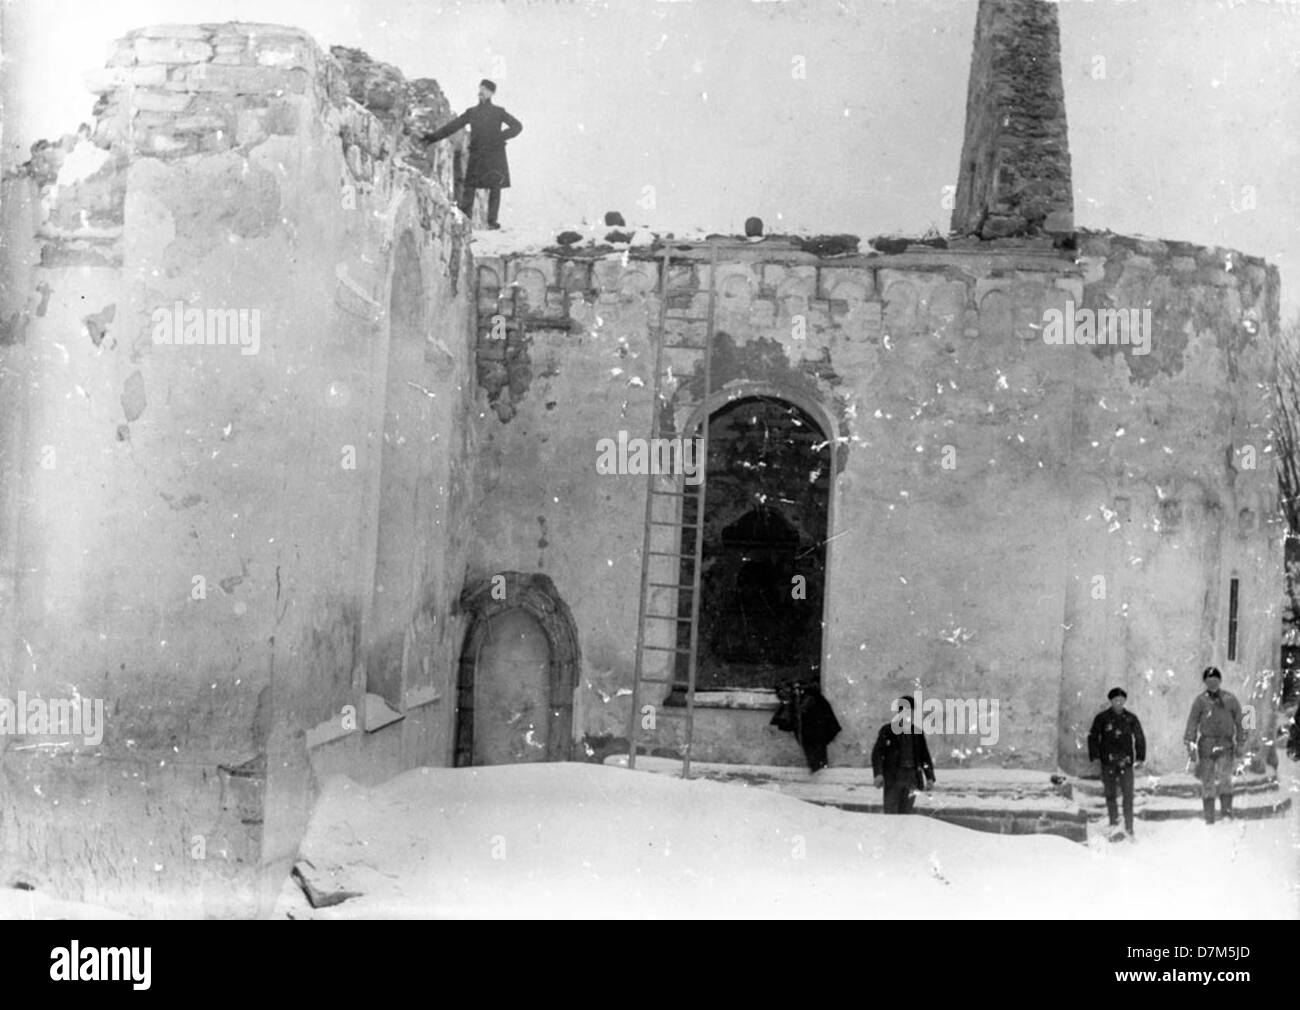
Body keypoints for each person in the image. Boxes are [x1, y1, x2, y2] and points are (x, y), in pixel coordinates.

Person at [422, 79, 522, 230]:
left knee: (495, 187)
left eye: (485, 90)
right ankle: (466, 219)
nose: (481, 92)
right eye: (480, 89)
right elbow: (453, 126)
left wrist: (500, 137)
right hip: (477, 154)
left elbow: (517, 126)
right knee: (470, 186)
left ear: (491, 93)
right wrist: (432, 137)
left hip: (494, 154)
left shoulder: (498, 112)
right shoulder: (472, 112)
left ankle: (492, 222)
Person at [1183, 666, 1245, 824]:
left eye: (1215, 680)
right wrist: (1190, 746)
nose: (1212, 684)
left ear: (1220, 681)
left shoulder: (1230, 699)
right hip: (1206, 745)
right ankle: (1209, 818)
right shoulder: (1200, 701)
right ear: (1205, 682)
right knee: (1208, 781)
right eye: (1209, 681)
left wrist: (1241, 742)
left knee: (1225, 779)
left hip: (1225, 744)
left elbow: (1240, 721)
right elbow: (1192, 723)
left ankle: (1226, 814)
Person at [1087, 687, 1145, 841]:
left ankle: (1129, 827)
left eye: (1121, 700)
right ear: (1111, 701)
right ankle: (1114, 823)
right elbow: (1093, 736)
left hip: (1126, 762)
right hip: (1109, 762)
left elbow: (1139, 737)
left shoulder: (1131, 718)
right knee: (1110, 794)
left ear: (1125, 701)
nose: (1118, 703)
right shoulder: (1102, 718)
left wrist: (1140, 757)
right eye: (1115, 701)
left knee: (1128, 795)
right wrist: (1096, 756)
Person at [871, 696, 935, 814]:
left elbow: (924, 756)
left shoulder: (917, 732)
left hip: (912, 778)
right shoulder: (888, 730)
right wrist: (878, 774)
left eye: (910, 711)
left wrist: (930, 777)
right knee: (891, 813)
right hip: (894, 778)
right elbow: (877, 754)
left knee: (906, 814)